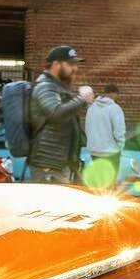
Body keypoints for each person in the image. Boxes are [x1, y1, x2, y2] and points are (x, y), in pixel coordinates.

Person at [27, 45, 90, 184]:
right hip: (48, 163)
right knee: (47, 205)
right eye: (71, 64)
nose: (75, 68)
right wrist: (82, 99)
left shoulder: (57, 87)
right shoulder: (45, 86)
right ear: (55, 64)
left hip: (57, 162)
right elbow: (55, 114)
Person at [84, 82, 126, 188]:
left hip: (94, 150)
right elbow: (119, 131)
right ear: (114, 94)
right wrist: (120, 145)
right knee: (110, 182)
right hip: (110, 151)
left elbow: (87, 127)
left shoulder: (91, 108)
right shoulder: (115, 108)